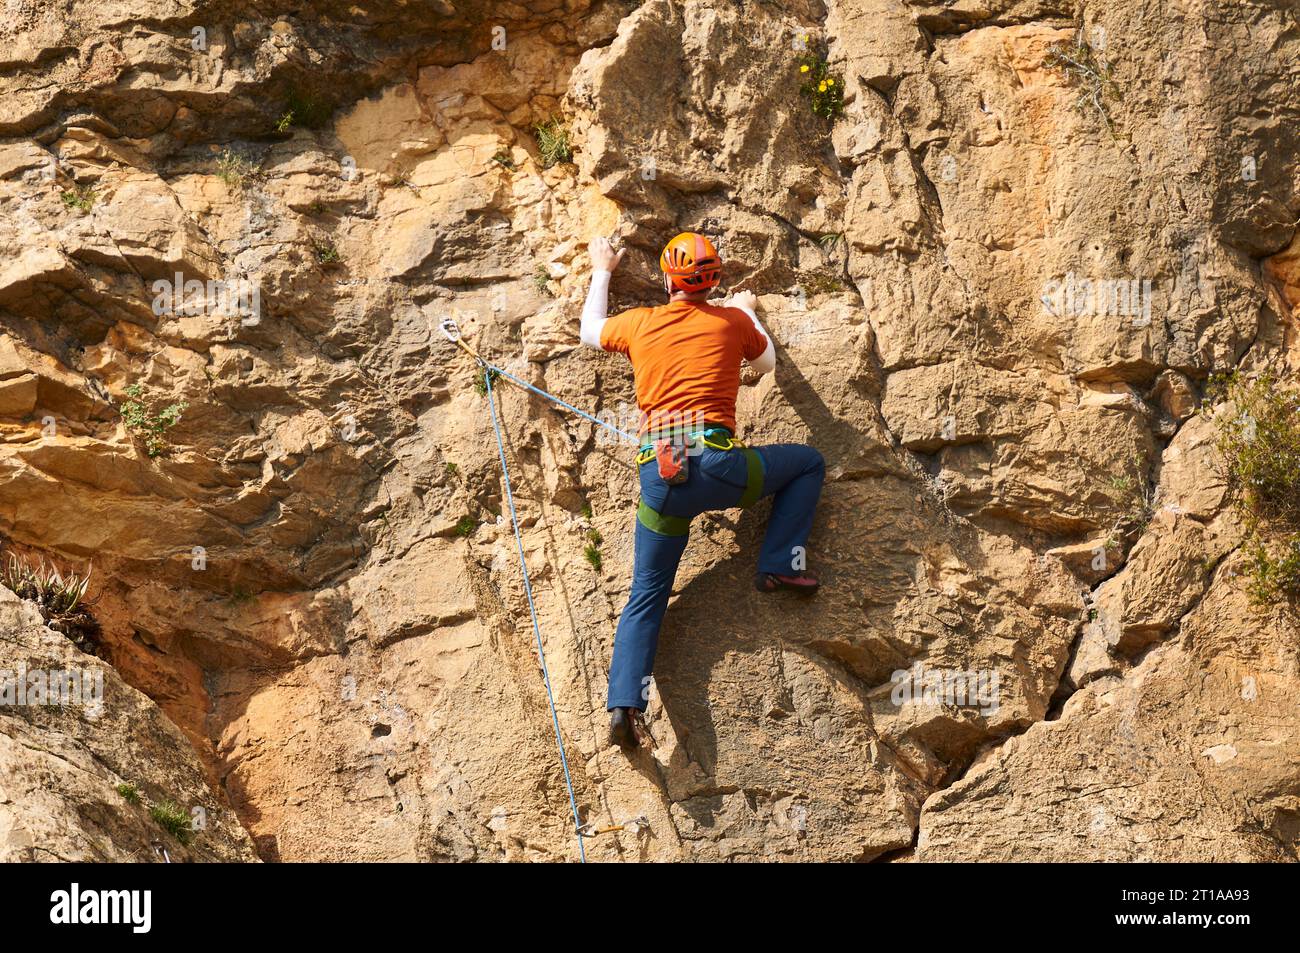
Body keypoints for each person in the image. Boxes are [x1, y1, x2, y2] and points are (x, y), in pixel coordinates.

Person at [579, 232, 825, 749]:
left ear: (668, 279)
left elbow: (590, 330)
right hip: (721, 467)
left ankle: (625, 704)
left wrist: (603, 268)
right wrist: (745, 310)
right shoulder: (731, 321)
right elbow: (766, 365)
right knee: (806, 463)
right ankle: (780, 564)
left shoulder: (641, 324)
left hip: (660, 480)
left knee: (645, 594)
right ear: (714, 279)